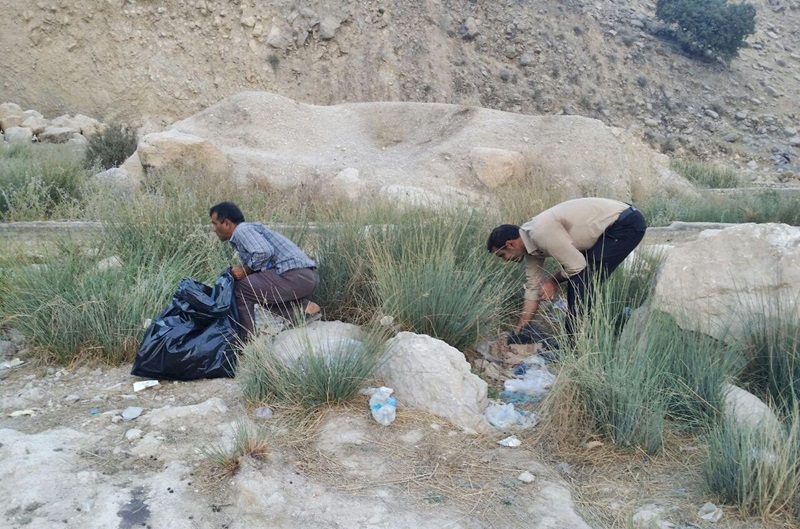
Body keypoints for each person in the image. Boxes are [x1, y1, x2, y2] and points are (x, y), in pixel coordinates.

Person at [487, 197, 647, 343]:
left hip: (625, 224)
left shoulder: (540, 234)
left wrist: (553, 282)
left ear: (511, 244)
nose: (506, 261)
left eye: (502, 255)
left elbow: (577, 266)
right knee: (583, 280)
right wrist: (519, 331)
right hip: (613, 226)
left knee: (581, 280)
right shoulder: (529, 243)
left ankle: (578, 345)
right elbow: (532, 289)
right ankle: (589, 335)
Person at [209, 202, 321, 342]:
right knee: (254, 290)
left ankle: (246, 341)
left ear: (226, 223)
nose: (213, 229)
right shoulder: (246, 231)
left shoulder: (241, 230)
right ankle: (304, 308)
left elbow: (264, 252)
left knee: (241, 288)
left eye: (214, 224)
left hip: (295, 276)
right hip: (305, 277)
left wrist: (245, 270)